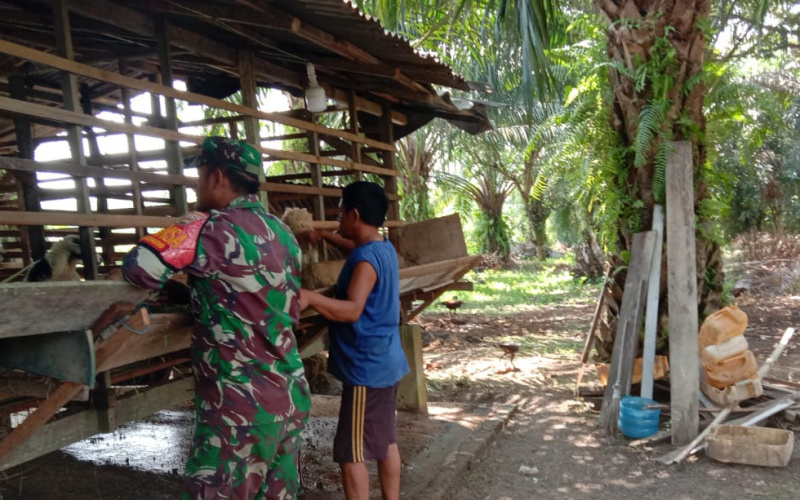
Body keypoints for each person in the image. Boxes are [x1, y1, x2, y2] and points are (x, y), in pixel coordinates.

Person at [121, 136, 310, 500]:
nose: (197, 185)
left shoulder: (210, 228)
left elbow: (138, 269)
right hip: (289, 399)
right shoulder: (285, 235)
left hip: (236, 412)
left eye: (200, 175)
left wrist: (187, 225)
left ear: (218, 177)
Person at [300, 181, 409, 500]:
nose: (337, 217)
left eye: (341, 211)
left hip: (366, 370)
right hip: (387, 361)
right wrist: (324, 236)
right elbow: (356, 249)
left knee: (351, 453)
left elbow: (351, 310)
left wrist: (310, 297)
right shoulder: (381, 247)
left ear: (355, 214)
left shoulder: (364, 261)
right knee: (386, 441)